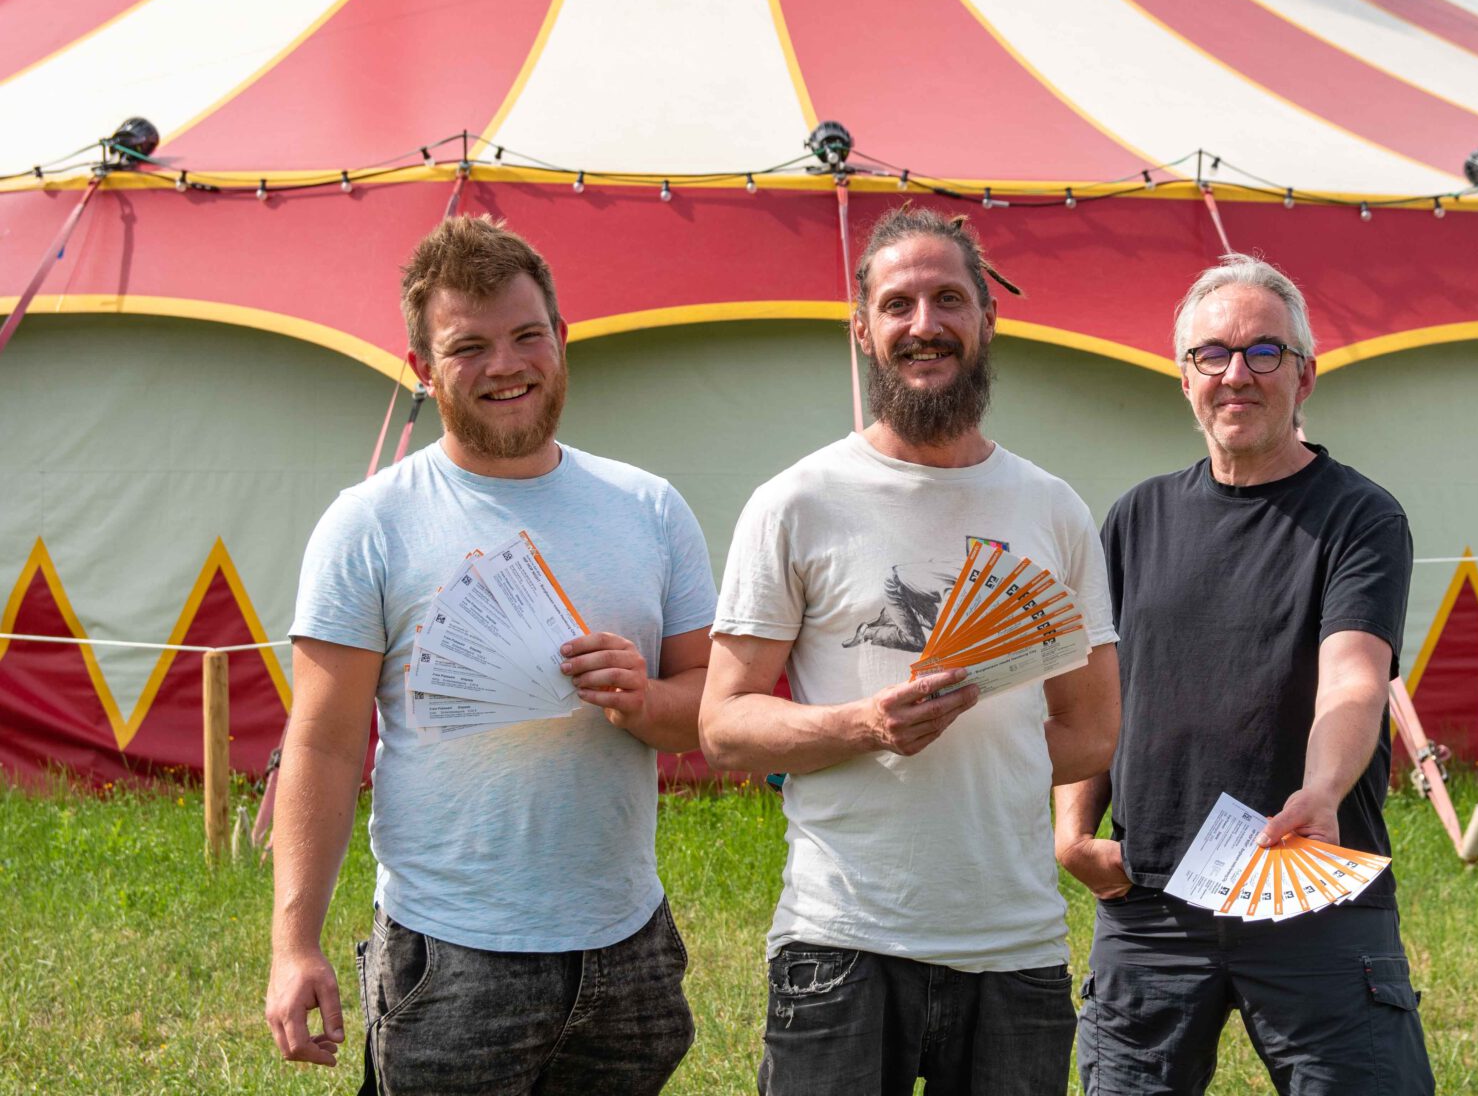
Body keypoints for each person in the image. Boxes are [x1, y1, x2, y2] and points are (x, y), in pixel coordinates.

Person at [264, 215, 716, 1095]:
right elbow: (321, 742)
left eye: (525, 335)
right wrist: (294, 944)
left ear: (562, 338)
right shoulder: (369, 523)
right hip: (449, 953)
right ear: (422, 371)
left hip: (629, 946)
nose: (506, 365)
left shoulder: (650, 508)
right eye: (468, 346)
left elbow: (709, 706)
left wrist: (644, 699)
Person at [699, 205, 1121, 1095]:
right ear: (862, 329)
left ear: (986, 320)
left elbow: (1091, 733)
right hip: (840, 944)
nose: (924, 325)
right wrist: (864, 726)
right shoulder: (796, 502)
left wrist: (993, 751)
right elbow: (725, 726)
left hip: (1016, 950)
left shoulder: (1053, 511)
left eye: (947, 300)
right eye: (898, 305)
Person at [1058, 254, 1433, 1094]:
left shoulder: (1359, 516)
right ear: (1183, 378)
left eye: (1264, 353)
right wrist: (1074, 830)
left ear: (1306, 377)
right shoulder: (1136, 517)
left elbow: (1354, 679)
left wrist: (1325, 790)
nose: (1237, 374)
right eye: (1212, 354)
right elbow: (1094, 688)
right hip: (1148, 901)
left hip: (1308, 878)